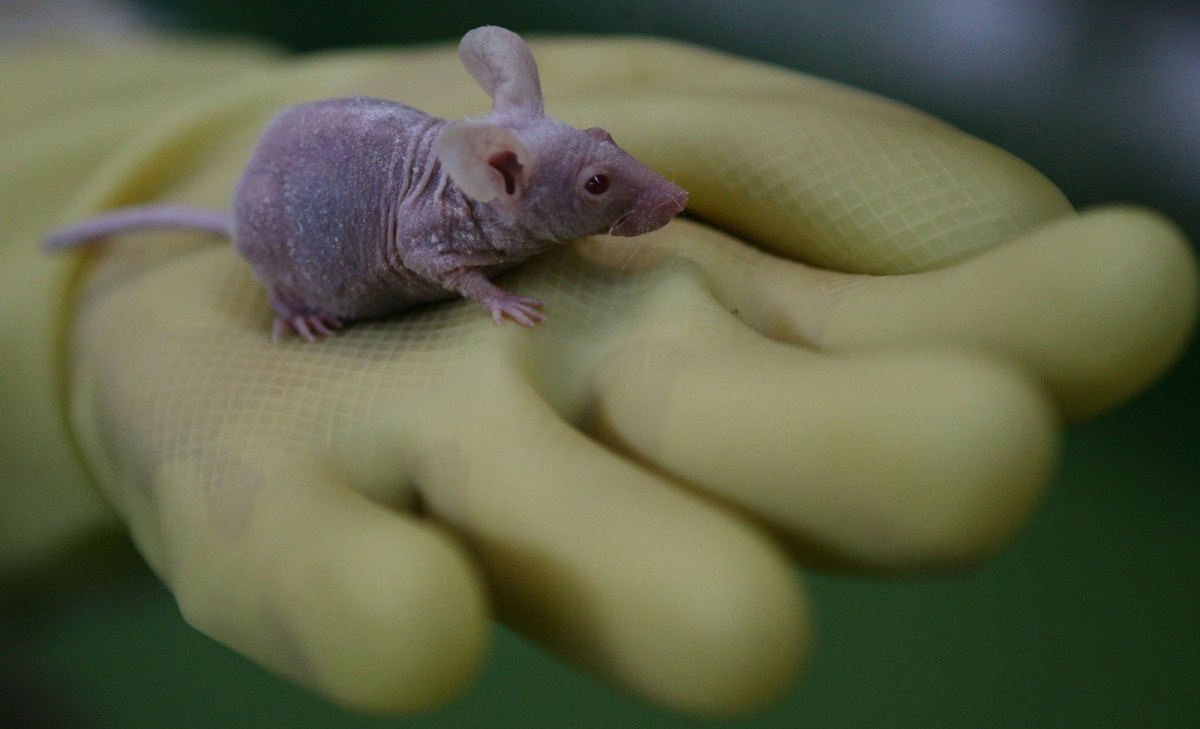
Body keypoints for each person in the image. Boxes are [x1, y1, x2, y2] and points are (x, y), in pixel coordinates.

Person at [0, 32, 1195, 717]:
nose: (639, 200)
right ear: (501, 178)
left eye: (611, 175)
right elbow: (421, 249)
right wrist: (487, 295)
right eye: (595, 191)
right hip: (292, 238)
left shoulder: (513, 173)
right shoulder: (459, 218)